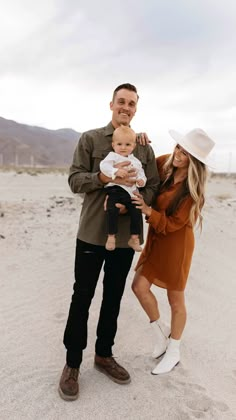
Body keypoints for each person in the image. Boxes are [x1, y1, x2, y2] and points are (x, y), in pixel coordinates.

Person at [58, 83, 159, 400]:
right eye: (121, 101)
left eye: (131, 103)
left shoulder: (143, 148)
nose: (126, 107)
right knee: (82, 297)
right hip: (90, 232)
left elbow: (153, 185)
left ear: (136, 109)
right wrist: (105, 179)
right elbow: (75, 180)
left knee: (113, 297)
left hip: (125, 237)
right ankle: (72, 363)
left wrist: (137, 200)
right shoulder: (90, 139)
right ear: (111, 104)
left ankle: (104, 355)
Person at [131, 128, 215, 375]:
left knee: (175, 299)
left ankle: (174, 350)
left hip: (177, 246)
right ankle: (160, 333)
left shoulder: (192, 192)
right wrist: (140, 140)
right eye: (179, 146)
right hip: (157, 240)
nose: (179, 153)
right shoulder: (165, 164)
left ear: (195, 161)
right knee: (139, 287)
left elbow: (172, 224)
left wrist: (148, 211)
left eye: (186, 153)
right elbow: (141, 161)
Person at [100, 125, 147, 252]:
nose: (123, 147)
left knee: (136, 211)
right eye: (119, 144)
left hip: (130, 192)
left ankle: (134, 238)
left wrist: (141, 181)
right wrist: (115, 171)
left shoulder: (136, 162)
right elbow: (103, 166)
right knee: (112, 208)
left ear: (133, 146)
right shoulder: (112, 156)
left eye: (127, 144)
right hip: (115, 189)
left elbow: (141, 173)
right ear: (113, 144)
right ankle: (111, 236)